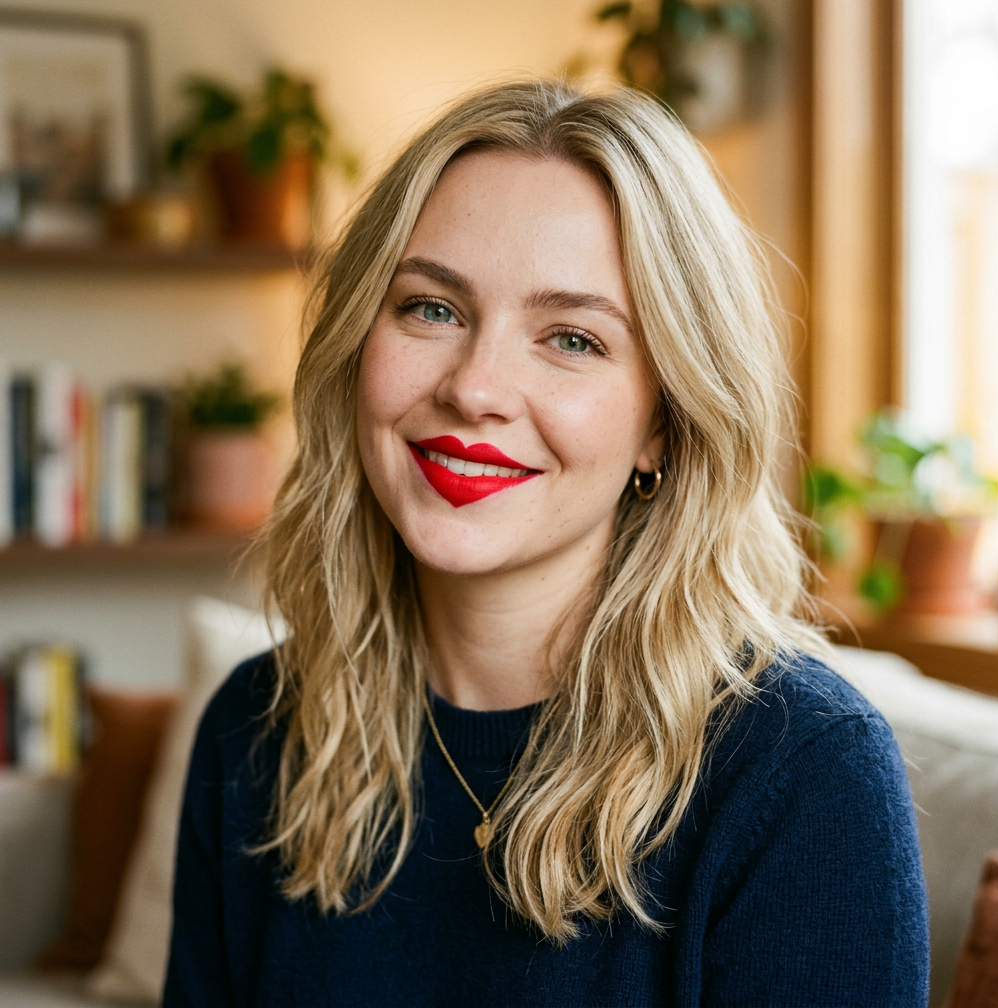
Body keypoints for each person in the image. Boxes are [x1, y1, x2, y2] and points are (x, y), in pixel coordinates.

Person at [165, 80, 929, 1007]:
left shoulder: (802, 772)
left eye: (570, 337)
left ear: (666, 422)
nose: (475, 388)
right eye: (431, 309)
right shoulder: (254, 733)